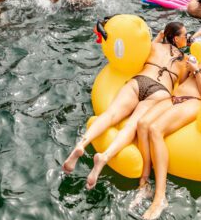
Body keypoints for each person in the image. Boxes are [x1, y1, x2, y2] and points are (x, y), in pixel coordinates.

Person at [62, 22, 189, 182]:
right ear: (176, 39)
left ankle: (81, 145)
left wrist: (159, 36)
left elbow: (143, 50)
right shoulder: (184, 60)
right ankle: (104, 157)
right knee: (131, 126)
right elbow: (182, 85)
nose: (187, 37)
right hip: (160, 91)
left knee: (111, 114)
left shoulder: (153, 47)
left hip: (140, 80)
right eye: (185, 35)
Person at [134, 27, 201, 219]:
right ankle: (144, 183)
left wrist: (198, 72)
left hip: (193, 102)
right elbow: (181, 81)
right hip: (175, 97)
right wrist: (188, 69)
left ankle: (160, 197)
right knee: (143, 124)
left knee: (156, 129)